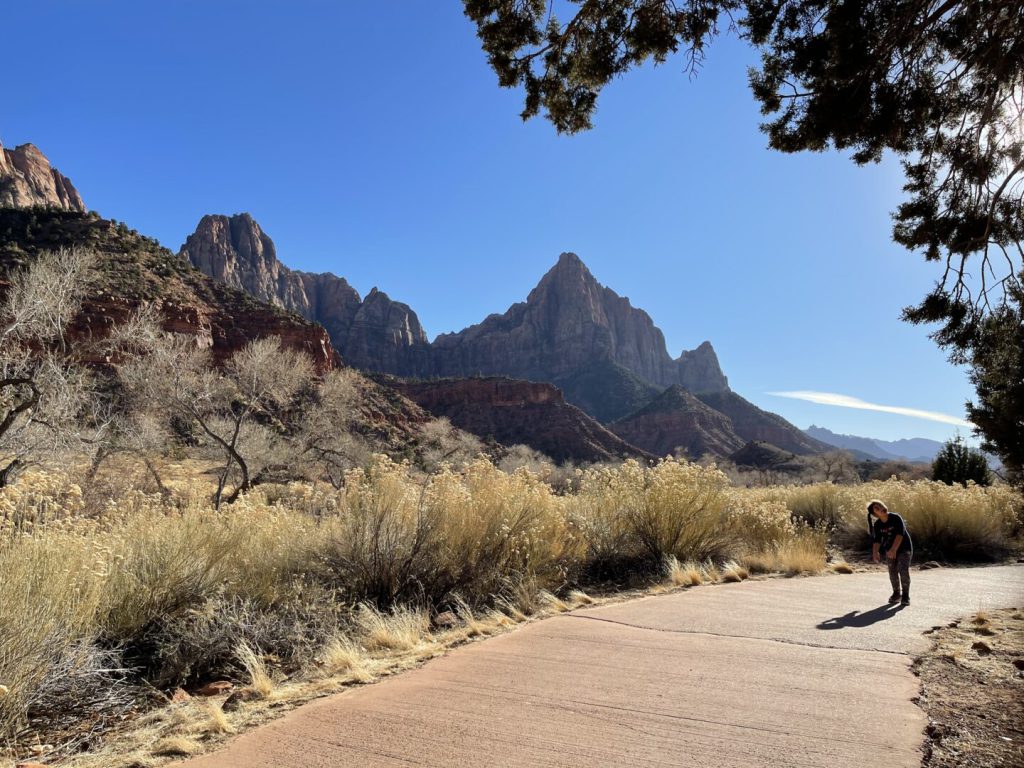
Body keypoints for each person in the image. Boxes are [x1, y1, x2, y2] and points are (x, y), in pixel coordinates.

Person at [867, 499, 913, 606]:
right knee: (892, 571)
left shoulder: (895, 517)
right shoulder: (878, 524)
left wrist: (893, 549)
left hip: (904, 548)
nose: (880, 508)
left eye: (880, 505)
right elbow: (877, 540)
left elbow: (899, 535)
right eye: (877, 509)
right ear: (875, 514)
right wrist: (875, 552)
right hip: (890, 550)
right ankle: (896, 594)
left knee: (903, 570)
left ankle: (905, 596)